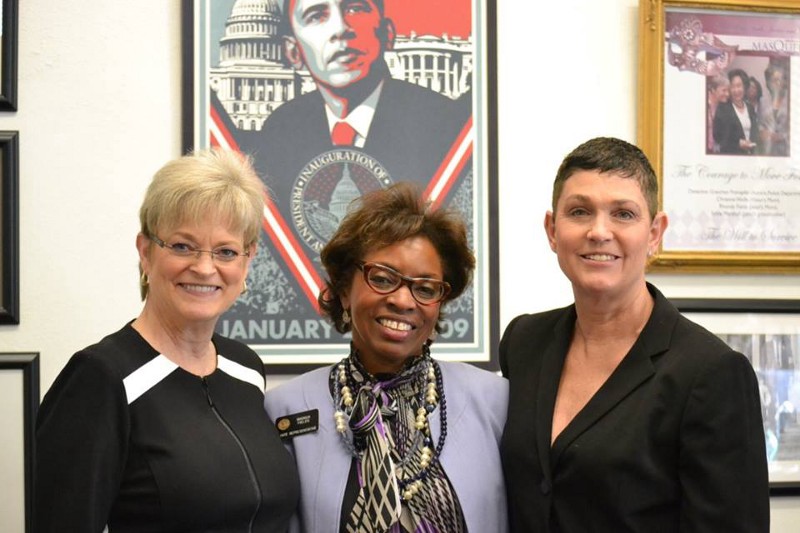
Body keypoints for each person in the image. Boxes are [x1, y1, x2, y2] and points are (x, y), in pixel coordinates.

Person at [500, 137, 769, 532]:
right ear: (552, 229)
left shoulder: (710, 374)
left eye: (623, 214)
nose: (598, 231)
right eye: (579, 211)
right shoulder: (523, 341)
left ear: (655, 233)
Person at [34, 149, 300, 532]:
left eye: (225, 251)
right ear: (146, 252)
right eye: (182, 246)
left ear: (247, 261)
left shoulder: (245, 369)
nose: (205, 267)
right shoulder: (100, 378)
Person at [265, 182, 508, 532]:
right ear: (344, 290)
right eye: (383, 279)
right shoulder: (284, 410)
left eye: (425, 288)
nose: (404, 301)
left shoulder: (495, 403)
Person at [240, 0, 468, 211]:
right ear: (293, 51)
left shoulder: (444, 125)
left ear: (387, 33)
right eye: (316, 15)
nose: (340, 29)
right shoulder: (280, 131)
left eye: (355, 8)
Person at [713, 68, 758, 154]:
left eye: (739, 86)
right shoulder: (723, 108)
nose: (736, 90)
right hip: (731, 156)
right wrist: (738, 143)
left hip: (750, 156)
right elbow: (718, 137)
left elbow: (755, 131)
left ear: (744, 87)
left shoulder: (750, 108)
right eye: (732, 87)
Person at [758, 62, 789, 156]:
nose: (778, 83)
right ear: (768, 83)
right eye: (774, 80)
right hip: (767, 152)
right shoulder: (762, 101)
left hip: (786, 152)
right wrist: (761, 132)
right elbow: (759, 124)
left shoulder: (791, 100)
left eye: (780, 80)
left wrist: (782, 137)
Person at [706, 74, 729, 153]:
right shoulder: (703, 103)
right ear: (713, 89)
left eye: (728, 91)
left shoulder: (723, 108)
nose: (727, 94)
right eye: (724, 90)